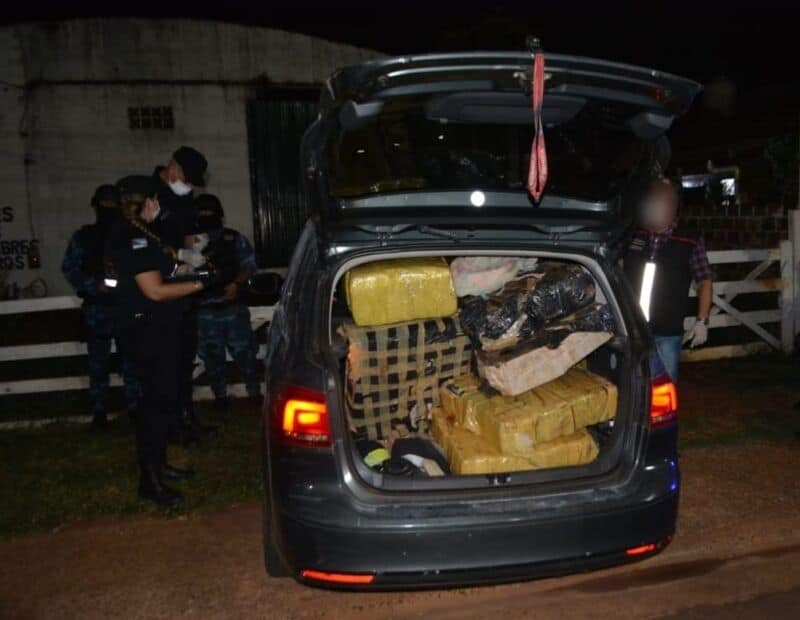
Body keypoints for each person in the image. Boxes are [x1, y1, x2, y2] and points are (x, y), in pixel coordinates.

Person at [107, 175, 217, 507]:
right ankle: (149, 479)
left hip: (160, 328)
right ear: (144, 202)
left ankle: (159, 465)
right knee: (154, 405)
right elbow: (154, 291)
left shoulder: (145, 233)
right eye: (154, 199)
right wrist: (201, 284)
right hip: (148, 331)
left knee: (163, 400)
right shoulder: (132, 237)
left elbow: (167, 269)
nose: (158, 204)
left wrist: (193, 270)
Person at [61, 185, 140, 428]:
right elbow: (70, 268)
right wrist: (94, 286)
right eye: (105, 205)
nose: (108, 209)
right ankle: (99, 411)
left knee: (132, 361)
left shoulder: (133, 235)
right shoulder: (83, 237)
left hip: (126, 305)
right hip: (98, 308)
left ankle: (135, 409)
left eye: (111, 205)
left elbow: (145, 265)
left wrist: (129, 285)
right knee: (98, 363)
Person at [152, 146, 215, 443]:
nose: (189, 186)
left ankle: (186, 416)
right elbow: (146, 243)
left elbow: (187, 235)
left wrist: (194, 250)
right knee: (167, 362)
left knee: (185, 357)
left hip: (185, 291)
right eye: (187, 179)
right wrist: (177, 256)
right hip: (160, 290)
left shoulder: (185, 199)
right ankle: (170, 423)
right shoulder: (150, 196)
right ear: (174, 169)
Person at [624, 178, 713, 381]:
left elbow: (704, 281)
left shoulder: (689, 239)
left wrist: (702, 322)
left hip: (667, 333)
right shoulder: (633, 235)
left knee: (664, 386)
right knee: (633, 386)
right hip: (632, 330)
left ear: (673, 205)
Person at [194, 194, 262, 410]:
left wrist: (235, 284)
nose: (205, 216)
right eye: (201, 212)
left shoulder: (234, 238)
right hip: (204, 308)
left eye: (209, 212)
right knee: (211, 356)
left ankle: (254, 393)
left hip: (233, 307)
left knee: (245, 353)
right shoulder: (190, 241)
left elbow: (249, 264)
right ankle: (220, 397)